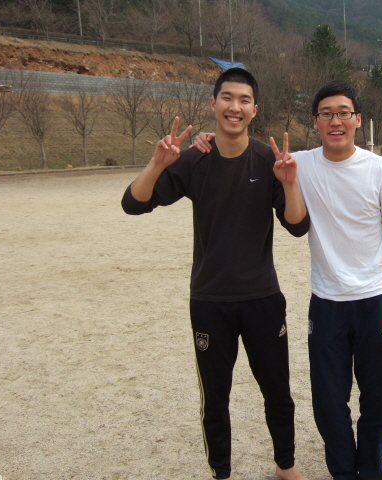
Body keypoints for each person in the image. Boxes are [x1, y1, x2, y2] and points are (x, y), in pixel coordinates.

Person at [194, 80, 382, 480]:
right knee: (329, 401)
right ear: (315, 122)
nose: (335, 121)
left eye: (344, 113)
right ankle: (342, 472)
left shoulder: (381, 169)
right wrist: (209, 136)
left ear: (358, 120)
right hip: (326, 302)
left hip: (375, 297)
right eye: (326, 114)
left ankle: (371, 470)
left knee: (378, 398)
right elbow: (241, 143)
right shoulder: (299, 164)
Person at [121, 67, 309, 480]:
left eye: (244, 100)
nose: (235, 107)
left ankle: (286, 465)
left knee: (277, 391)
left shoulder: (269, 160)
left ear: (255, 109)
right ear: (213, 104)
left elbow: (298, 226)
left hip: (262, 297)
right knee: (215, 399)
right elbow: (133, 204)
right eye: (227, 98)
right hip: (210, 300)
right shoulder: (195, 159)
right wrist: (157, 163)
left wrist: (290, 184)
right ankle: (220, 472)